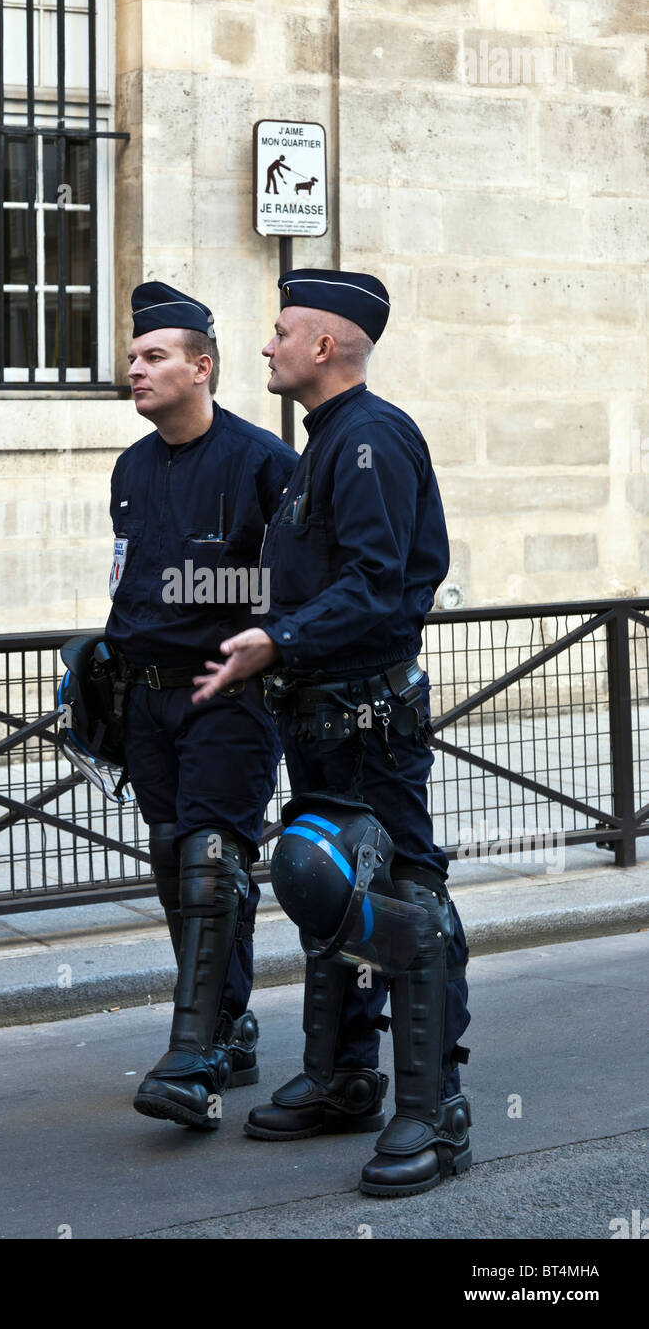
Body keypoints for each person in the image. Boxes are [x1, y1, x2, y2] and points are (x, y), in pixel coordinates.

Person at [192, 268, 471, 1195]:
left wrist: (276, 637)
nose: (264, 346)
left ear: (323, 345)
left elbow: (378, 585)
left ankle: (437, 1113)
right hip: (319, 718)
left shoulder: (370, 441)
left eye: (279, 331)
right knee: (330, 893)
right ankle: (346, 1074)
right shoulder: (324, 444)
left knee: (400, 900)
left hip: (370, 721)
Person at [107, 281, 297, 1132]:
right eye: (135, 356)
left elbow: (299, 587)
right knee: (176, 867)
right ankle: (234, 1026)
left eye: (153, 357)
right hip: (146, 701)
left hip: (228, 695)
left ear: (203, 367)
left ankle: (192, 1058)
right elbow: (128, 574)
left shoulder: (264, 463)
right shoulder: (131, 466)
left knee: (214, 863)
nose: (135, 370)